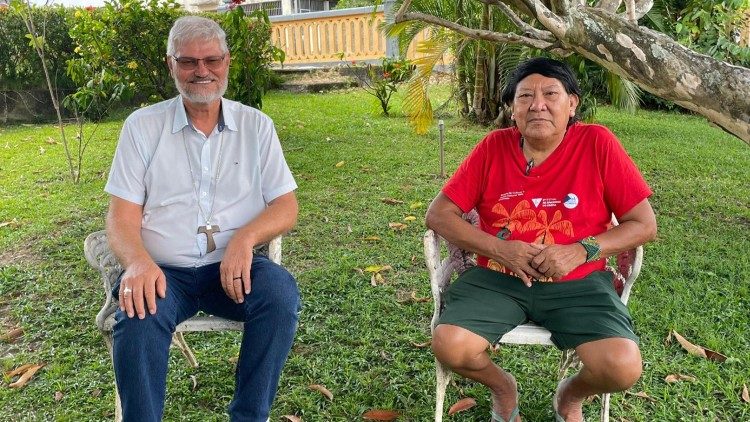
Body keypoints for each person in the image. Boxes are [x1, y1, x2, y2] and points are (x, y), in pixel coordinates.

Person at [425, 57, 657, 422]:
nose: (538, 105)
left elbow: (643, 224)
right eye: (525, 96)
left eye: (551, 93)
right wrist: (501, 249)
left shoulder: (597, 143)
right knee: (450, 345)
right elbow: (438, 214)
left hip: (579, 283)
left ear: (572, 103)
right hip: (497, 279)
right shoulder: (492, 147)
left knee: (622, 367)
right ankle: (503, 388)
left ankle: (569, 395)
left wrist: (583, 250)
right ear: (512, 109)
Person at [104, 16, 300, 422]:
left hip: (231, 271)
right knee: (137, 319)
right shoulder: (142, 127)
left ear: (227, 61)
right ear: (170, 65)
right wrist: (139, 262)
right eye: (188, 61)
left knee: (280, 296)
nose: (202, 71)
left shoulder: (256, 126)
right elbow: (121, 217)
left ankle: (249, 416)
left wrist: (245, 240)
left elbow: (286, 206)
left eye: (212, 59)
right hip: (163, 274)